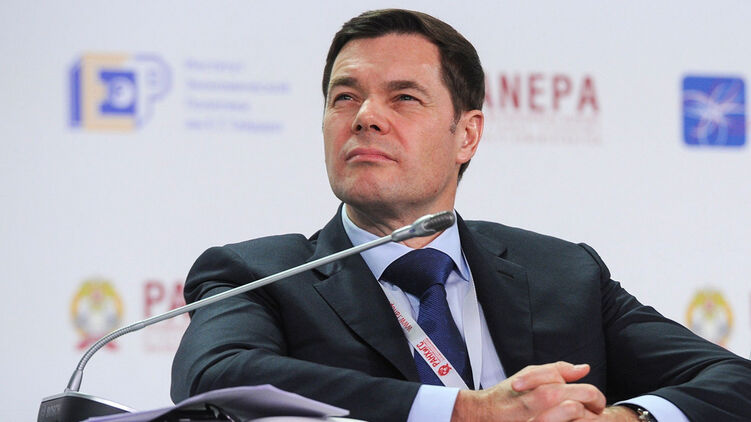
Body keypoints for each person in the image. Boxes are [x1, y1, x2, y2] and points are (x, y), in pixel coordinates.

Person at [171, 9, 751, 422]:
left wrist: (626, 420)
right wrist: (467, 411)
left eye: (404, 97)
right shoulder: (262, 274)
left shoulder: (562, 274)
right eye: (344, 97)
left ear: (467, 135)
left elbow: (733, 382)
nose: (366, 116)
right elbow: (215, 376)